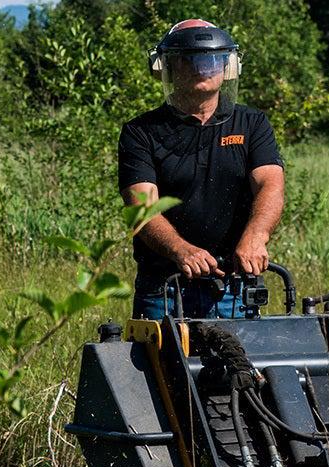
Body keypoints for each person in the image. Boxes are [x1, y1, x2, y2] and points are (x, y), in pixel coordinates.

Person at [118, 19, 285, 320]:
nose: (201, 68)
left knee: (241, 368)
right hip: (165, 290)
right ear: (167, 69)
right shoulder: (140, 132)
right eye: (189, 60)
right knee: (161, 368)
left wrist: (256, 236)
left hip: (235, 287)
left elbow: (270, 184)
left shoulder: (253, 124)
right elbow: (142, 208)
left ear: (229, 68)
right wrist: (181, 250)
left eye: (211, 60)